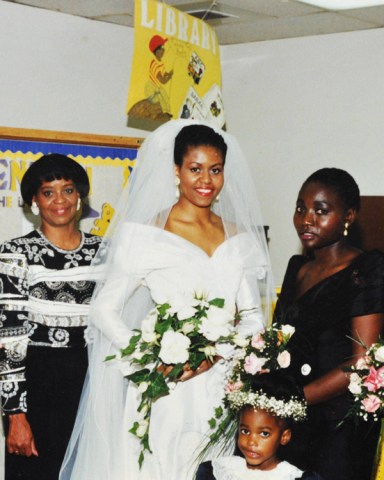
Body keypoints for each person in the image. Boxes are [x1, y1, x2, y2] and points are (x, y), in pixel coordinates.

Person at [60, 120, 276, 480]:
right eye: (195, 169)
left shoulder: (238, 238)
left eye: (215, 170)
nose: (206, 180)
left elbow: (253, 316)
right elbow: (103, 309)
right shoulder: (145, 235)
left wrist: (217, 355)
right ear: (176, 171)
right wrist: (151, 357)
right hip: (167, 387)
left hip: (221, 386)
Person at [274, 168, 384, 480]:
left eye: (321, 211)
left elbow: (363, 360)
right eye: (300, 208)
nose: (306, 219)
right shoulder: (297, 267)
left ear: (349, 216)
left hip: (337, 424)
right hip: (290, 419)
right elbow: (279, 339)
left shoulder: (367, 268)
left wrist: (296, 400)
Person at [0, 154, 102, 479]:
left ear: (80, 197)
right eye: (48, 192)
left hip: (92, 384)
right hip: (37, 385)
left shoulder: (106, 252)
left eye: (68, 190)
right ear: (34, 200)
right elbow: (8, 339)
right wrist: (15, 415)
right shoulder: (15, 253)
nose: (60, 200)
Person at [195, 372, 323, 480]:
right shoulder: (216, 473)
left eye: (264, 434)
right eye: (245, 431)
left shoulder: (295, 477)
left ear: (284, 437)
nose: (251, 442)